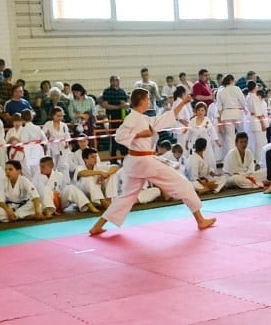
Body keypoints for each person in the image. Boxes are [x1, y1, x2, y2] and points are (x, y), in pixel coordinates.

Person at [88, 89, 215, 235]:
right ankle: (200, 220)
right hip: (143, 162)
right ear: (141, 101)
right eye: (148, 98)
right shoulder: (132, 118)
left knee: (126, 197)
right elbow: (119, 137)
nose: (149, 101)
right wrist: (139, 134)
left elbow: (164, 119)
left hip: (137, 162)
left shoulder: (143, 118)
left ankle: (97, 226)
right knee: (182, 182)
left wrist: (183, 104)